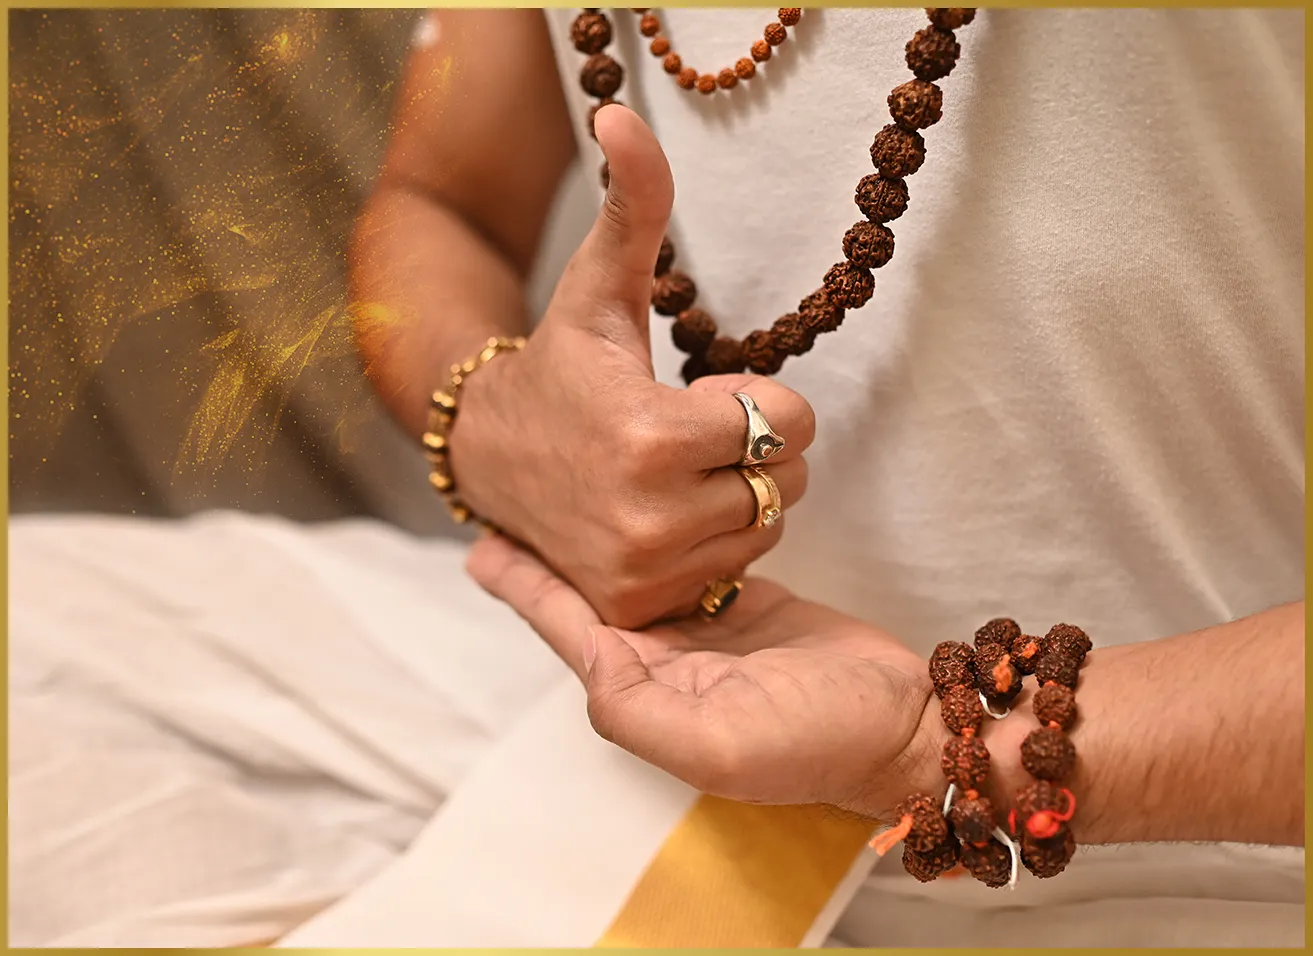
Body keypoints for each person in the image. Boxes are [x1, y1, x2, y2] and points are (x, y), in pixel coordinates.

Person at [8, 7, 1302, 948]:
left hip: (1195, 843)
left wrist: (940, 747)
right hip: (643, 713)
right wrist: (489, 412)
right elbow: (438, 205)